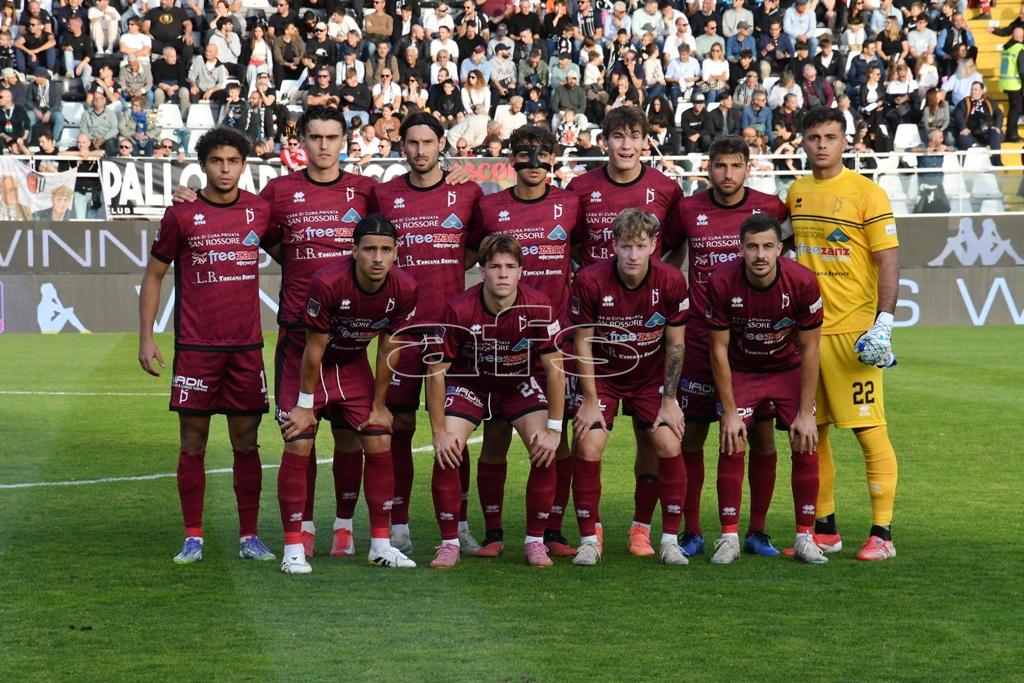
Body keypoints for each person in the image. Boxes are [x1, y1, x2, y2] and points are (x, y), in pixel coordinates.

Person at [138, 126, 275, 565]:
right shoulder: (182, 215)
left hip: (245, 348)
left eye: (233, 161)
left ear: (244, 165)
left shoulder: (259, 211)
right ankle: (192, 536)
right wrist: (146, 337)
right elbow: (154, 275)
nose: (225, 169)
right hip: (196, 348)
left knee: (246, 443)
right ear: (203, 166)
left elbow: (297, 253)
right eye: (217, 161)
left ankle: (249, 535)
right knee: (193, 442)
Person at [563, 106, 683, 553]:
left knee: (654, 438)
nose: (626, 145)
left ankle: (642, 529)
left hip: (647, 350)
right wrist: (600, 281)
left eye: (634, 136)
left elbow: (678, 243)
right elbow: (571, 241)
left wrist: (654, 283)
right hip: (600, 336)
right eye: (618, 136)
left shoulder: (667, 188)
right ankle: (587, 532)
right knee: (585, 439)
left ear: (645, 142)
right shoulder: (580, 188)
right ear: (605, 141)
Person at [664, 135, 790, 558]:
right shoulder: (688, 209)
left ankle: (757, 531)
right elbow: (669, 254)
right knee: (693, 435)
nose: (728, 173)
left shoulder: (770, 207)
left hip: (754, 344)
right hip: (701, 341)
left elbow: (785, 255)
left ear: (747, 168)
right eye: (720, 165)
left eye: (736, 165)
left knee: (761, 436)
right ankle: (693, 530)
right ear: (708, 168)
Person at [787, 107, 900, 562]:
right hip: (807, 334)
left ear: (845, 142)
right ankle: (825, 529)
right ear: (802, 141)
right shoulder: (796, 192)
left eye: (830, 137)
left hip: (852, 334)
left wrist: (884, 322)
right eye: (813, 137)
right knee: (813, 433)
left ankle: (882, 533)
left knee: (869, 431)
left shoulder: (867, 193)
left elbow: (888, 259)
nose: (821, 145)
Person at [278, 216, 419, 573]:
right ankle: (293, 548)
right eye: (369, 249)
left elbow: (389, 346)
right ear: (354, 250)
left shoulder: (405, 288)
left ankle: (381, 546)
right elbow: (314, 347)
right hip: (304, 360)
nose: (377, 258)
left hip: (351, 362)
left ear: (396, 252)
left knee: (379, 437)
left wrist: (379, 405)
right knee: (299, 441)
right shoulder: (327, 282)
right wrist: (305, 405)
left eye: (385, 250)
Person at [467, 125, 582, 558]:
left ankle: (551, 531)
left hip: (554, 341)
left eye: (542, 153)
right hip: (502, 340)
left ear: (553, 158)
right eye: (524, 153)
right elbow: (469, 253)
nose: (534, 162)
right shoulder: (489, 206)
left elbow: (584, 253)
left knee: (557, 437)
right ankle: (493, 533)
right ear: (510, 159)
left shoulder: (571, 202)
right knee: (495, 434)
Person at [372, 111, 483, 556]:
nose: (420, 151)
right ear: (403, 147)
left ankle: (460, 524)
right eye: (412, 143)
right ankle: (398, 525)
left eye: (428, 142)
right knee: (398, 426)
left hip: (452, 333)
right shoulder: (384, 194)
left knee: (456, 430)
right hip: (402, 331)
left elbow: (478, 247)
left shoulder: (467, 192)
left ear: (442, 145)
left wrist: (452, 263)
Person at [425, 235, 566, 568]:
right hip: (471, 383)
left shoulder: (539, 306)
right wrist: (438, 432)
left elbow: (555, 368)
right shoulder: (459, 308)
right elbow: (435, 372)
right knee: (448, 449)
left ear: (521, 271)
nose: (503, 273)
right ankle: (449, 543)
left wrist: (555, 430)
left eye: (510, 267)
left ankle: (535, 542)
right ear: (482, 270)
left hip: (517, 383)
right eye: (495, 266)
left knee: (544, 447)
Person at [569, 209, 689, 567]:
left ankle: (661, 537)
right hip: (604, 374)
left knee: (667, 441)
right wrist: (590, 400)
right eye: (626, 246)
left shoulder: (671, 281)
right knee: (588, 442)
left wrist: (670, 400)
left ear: (653, 245)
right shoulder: (590, 280)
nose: (633, 255)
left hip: (650, 376)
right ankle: (589, 538)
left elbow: (676, 345)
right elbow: (582, 342)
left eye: (640, 246)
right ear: (614, 246)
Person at [704, 213, 826, 565]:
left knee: (805, 439)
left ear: (780, 249)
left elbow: (811, 349)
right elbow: (718, 349)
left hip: (786, 368)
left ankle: (805, 537)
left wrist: (805, 413)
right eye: (753, 247)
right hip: (742, 369)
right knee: (732, 439)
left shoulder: (803, 281)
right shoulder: (722, 282)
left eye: (768, 246)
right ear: (740, 249)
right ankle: (729, 538)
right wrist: (729, 411)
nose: (760, 255)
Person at [998, 27, 1024, 143]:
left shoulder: (1007, 48)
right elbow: (1022, 70)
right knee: (1016, 110)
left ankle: (1011, 133)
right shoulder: (1019, 49)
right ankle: (1012, 135)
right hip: (1015, 84)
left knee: (1013, 109)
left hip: (1006, 83)